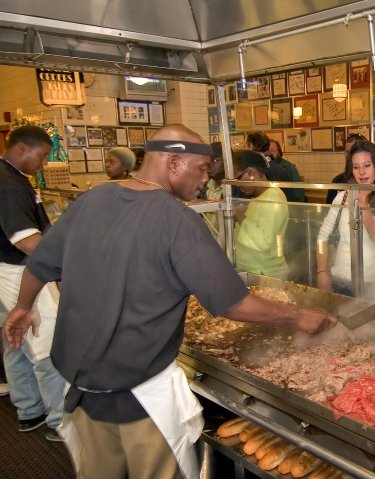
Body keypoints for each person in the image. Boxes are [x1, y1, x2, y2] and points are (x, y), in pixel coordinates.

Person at [4, 124, 335, 479]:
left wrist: (23, 308)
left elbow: (39, 264)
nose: (205, 182)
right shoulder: (177, 220)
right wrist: (297, 316)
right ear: (174, 162)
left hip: (80, 390)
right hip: (140, 398)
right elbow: (232, 304)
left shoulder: (91, 200)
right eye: (203, 169)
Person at [0, 126, 66, 442]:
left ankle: (29, 410)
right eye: (41, 157)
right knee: (46, 345)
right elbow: (26, 239)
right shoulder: (9, 184)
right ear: (22, 148)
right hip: (20, 271)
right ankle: (58, 419)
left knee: (15, 342)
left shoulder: (13, 179)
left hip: (6, 269)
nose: (42, 165)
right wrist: (66, 266)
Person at [316, 141, 375, 296]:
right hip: (339, 282)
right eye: (356, 167)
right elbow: (322, 238)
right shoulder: (342, 197)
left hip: (373, 287)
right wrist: (321, 271)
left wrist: (365, 213)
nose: (361, 172)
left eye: (367, 165)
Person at [234, 164, 289, 279]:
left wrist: (240, 216)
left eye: (238, 178)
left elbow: (263, 241)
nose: (237, 185)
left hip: (265, 274)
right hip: (251, 271)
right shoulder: (258, 197)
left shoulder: (273, 196)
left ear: (250, 173)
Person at [325, 133, 366, 204]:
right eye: (347, 152)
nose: (349, 156)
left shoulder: (372, 180)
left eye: (353, 152)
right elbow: (329, 208)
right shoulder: (337, 181)